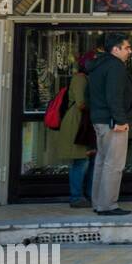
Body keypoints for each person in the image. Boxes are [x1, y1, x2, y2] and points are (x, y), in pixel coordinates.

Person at [87, 32, 132, 216]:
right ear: (115, 49)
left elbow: (89, 94)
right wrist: (120, 120)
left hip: (99, 120)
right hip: (112, 122)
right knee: (114, 164)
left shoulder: (98, 65)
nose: (129, 51)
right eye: (126, 48)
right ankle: (108, 205)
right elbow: (114, 96)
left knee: (101, 162)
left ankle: (98, 202)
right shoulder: (115, 66)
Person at [46, 51, 97, 208]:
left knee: (88, 161)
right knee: (80, 161)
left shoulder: (86, 78)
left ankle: (87, 195)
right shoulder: (80, 79)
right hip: (77, 124)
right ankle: (76, 197)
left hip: (84, 124)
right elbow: (82, 103)